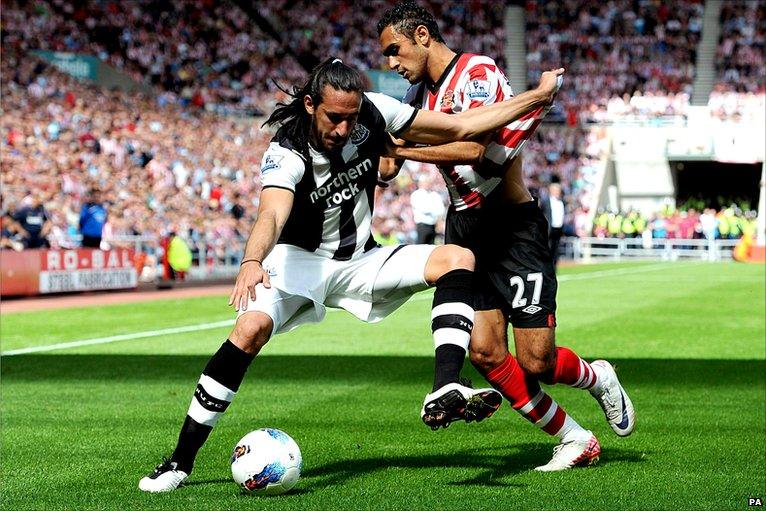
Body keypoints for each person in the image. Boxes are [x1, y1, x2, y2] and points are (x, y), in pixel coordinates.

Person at [139, 57, 566, 492]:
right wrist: (252, 260)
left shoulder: (375, 110)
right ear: (309, 104)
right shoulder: (286, 151)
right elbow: (271, 213)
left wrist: (536, 97)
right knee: (249, 329)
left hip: (361, 260)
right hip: (298, 262)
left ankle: (446, 387)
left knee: (457, 258)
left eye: (351, 117)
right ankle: (179, 462)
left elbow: (460, 128)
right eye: (334, 117)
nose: (344, 128)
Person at [377, 0, 634, 472]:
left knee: (536, 361)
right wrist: (370, 137)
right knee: (484, 352)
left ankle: (598, 376)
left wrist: (402, 146)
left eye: (395, 50)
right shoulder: (416, 101)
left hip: (512, 226)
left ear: (421, 36)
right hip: (465, 230)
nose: (392, 64)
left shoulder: (476, 72)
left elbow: (477, 149)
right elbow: (389, 165)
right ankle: (574, 439)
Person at [410, 174, 445, 244]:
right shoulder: (416, 194)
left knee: (431, 248)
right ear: (420, 183)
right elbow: (424, 209)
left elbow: (441, 209)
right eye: (426, 182)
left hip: (433, 226)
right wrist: (435, 210)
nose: (427, 184)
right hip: (422, 226)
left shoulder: (434, 194)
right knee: (420, 247)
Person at [540, 182, 565, 266]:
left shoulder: (561, 202)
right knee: (547, 249)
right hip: (549, 229)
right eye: (556, 190)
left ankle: (553, 269)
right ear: (551, 191)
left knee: (556, 250)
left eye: (558, 190)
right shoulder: (546, 201)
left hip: (558, 229)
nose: (558, 192)